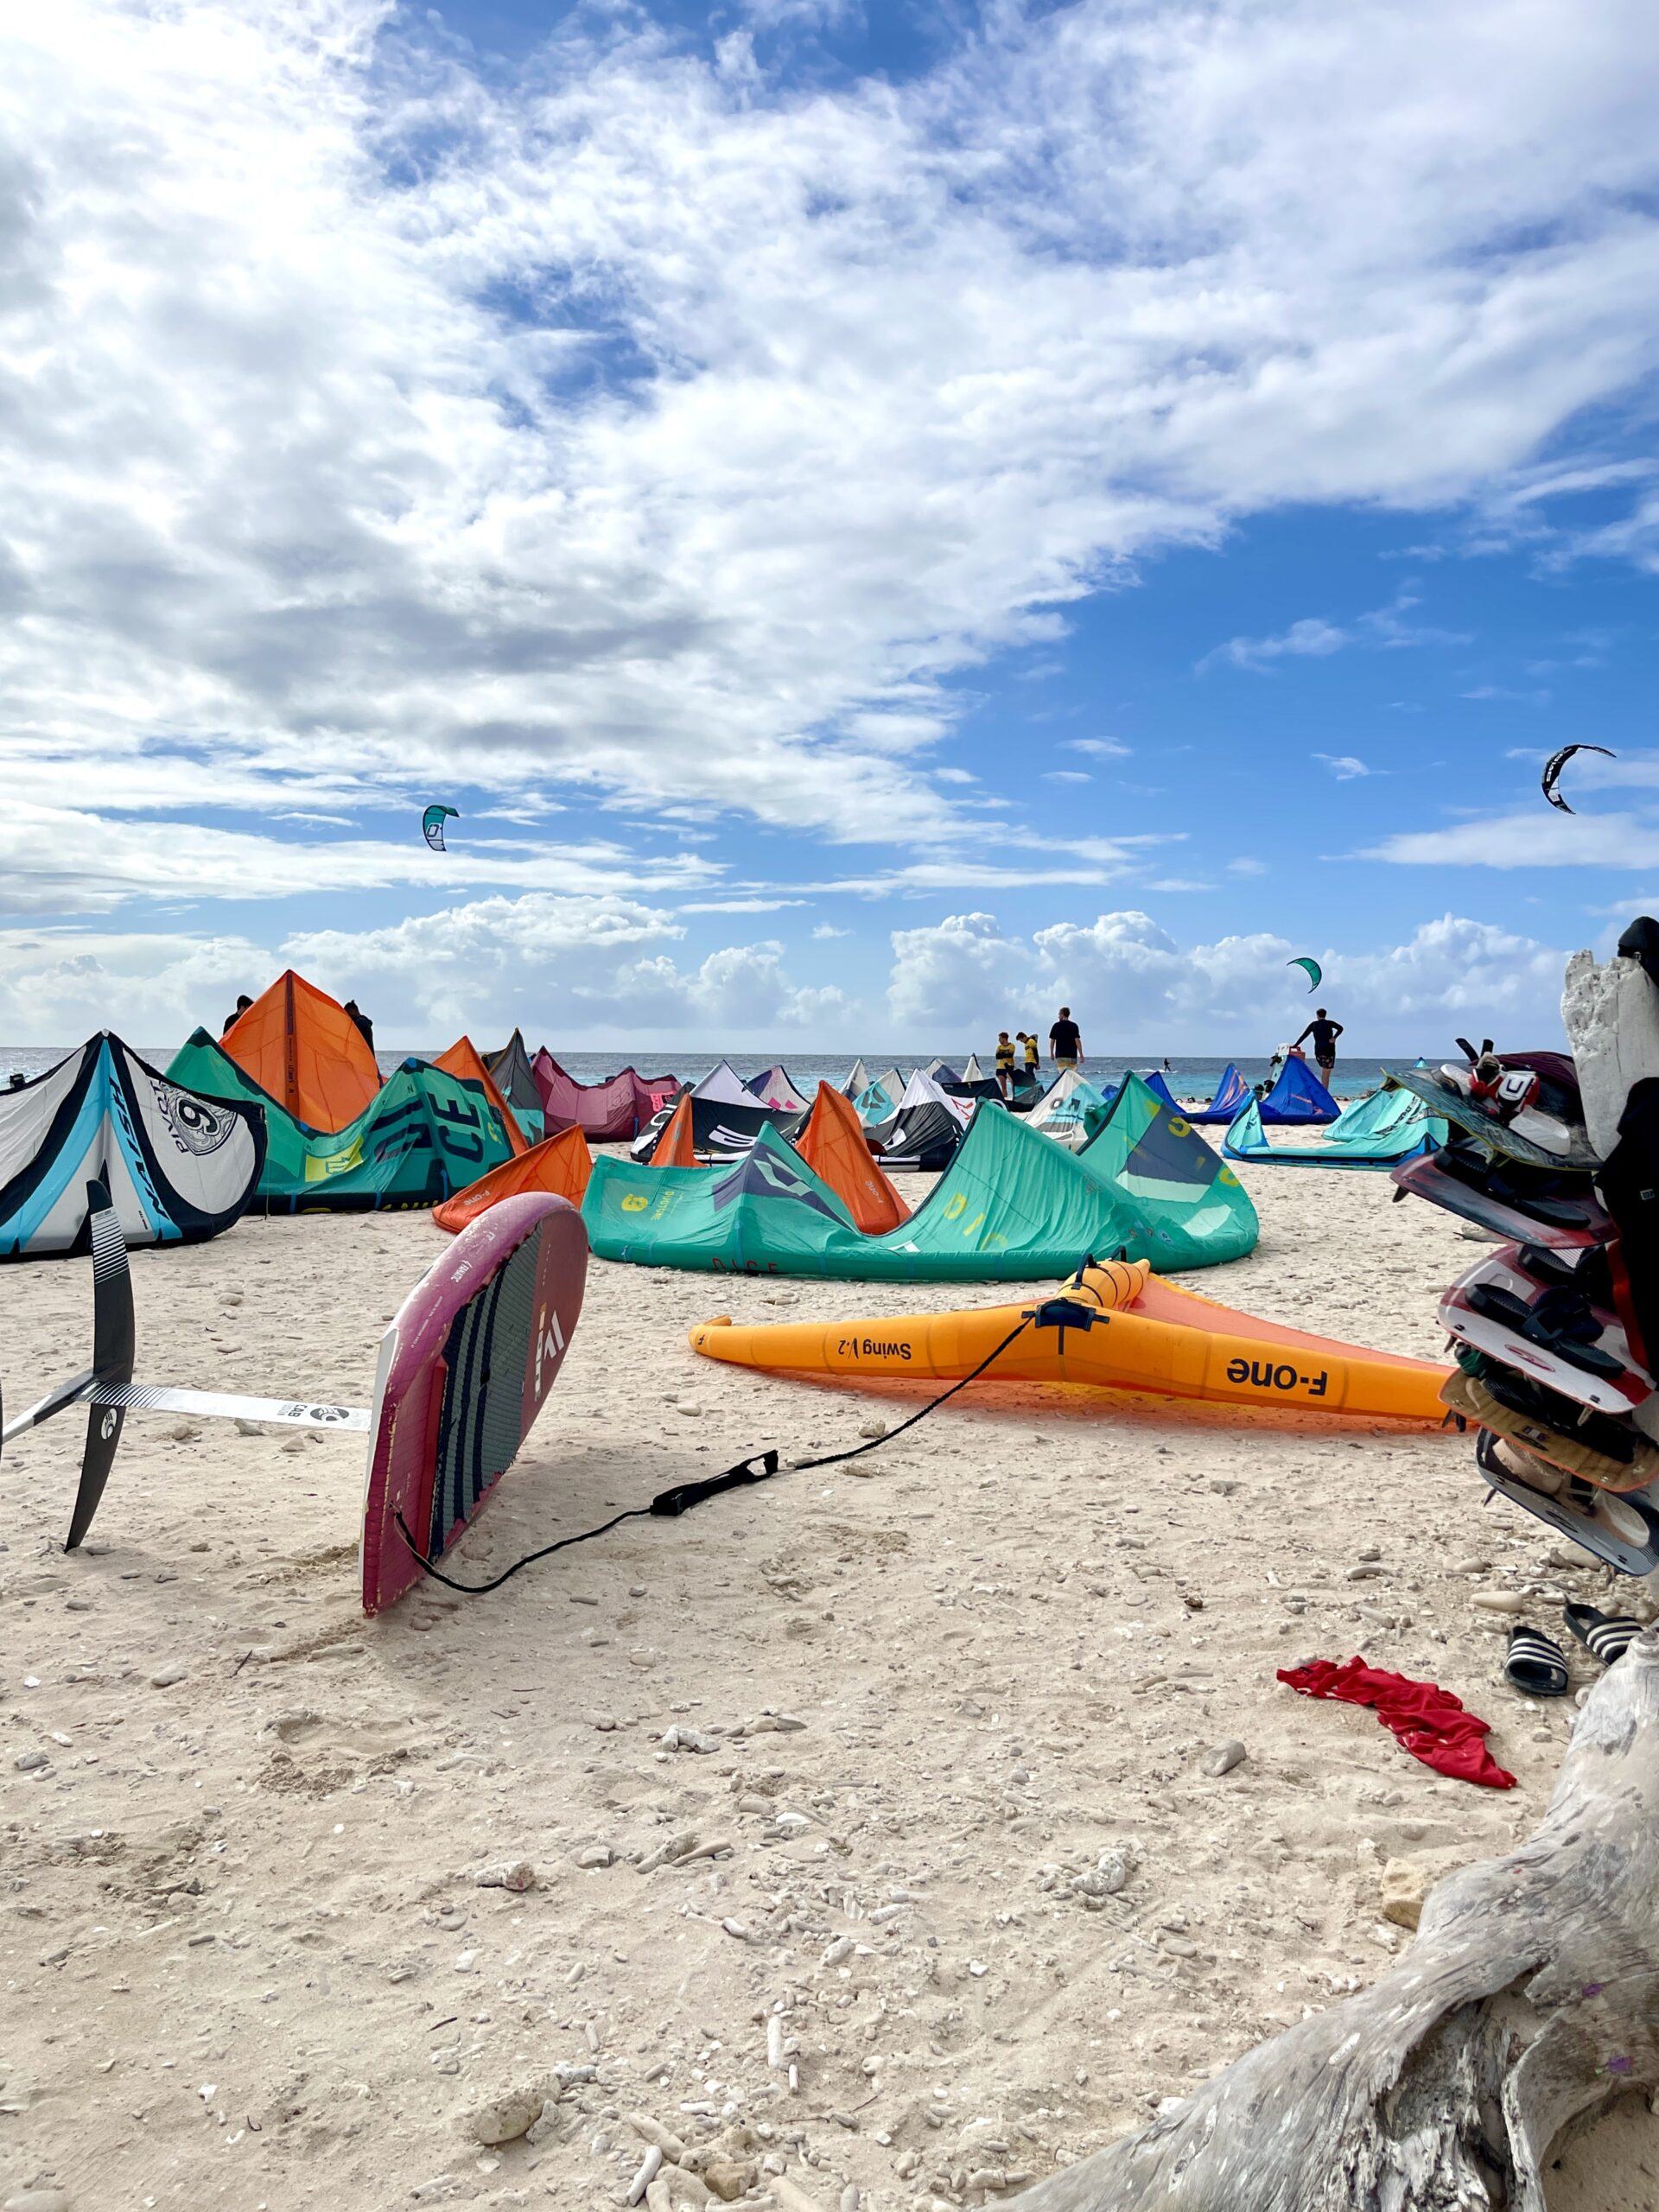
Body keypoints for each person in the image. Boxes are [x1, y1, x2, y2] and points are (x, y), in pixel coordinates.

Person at [1294, 1007, 1344, 1092]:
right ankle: (1325, 1092)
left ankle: (1321, 1090)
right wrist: (1334, 1037)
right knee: (1326, 1074)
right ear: (1325, 1015)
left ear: (1317, 1015)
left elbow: (1304, 1035)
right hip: (1329, 1051)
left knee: (1324, 1072)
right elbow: (1341, 1028)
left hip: (1318, 1053)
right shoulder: (1329, 1023)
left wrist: (1295, 1045)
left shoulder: (1313, 1024)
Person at [1049, 1005, 1083, 1071]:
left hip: (1060, 1055)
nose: (1058, 1016)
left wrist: (1051, 1053)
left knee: (1063, 1075)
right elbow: (1077, 1040)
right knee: (1072, 1076)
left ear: (1062, 1014)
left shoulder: (1056, 1026)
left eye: (1059, 1014)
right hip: (1072, 1055)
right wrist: (1081, 1054)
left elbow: (1052, 1041)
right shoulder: (1074, 1026)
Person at [994, 1030, 1015, 1100]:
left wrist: (1002, 1054)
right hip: (1000, 1068)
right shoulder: (999, 1047)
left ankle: (1015, 1097)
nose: (999, 1040)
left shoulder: (1012, 1045)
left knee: (1013, 1084)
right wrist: (1005, 1054)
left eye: (1000, 1038)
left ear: (1004, 1038)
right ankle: (1005, 1099)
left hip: (1009, 1067)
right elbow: (997, 1056)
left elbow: (1010, 1055)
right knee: (1003, 1087)